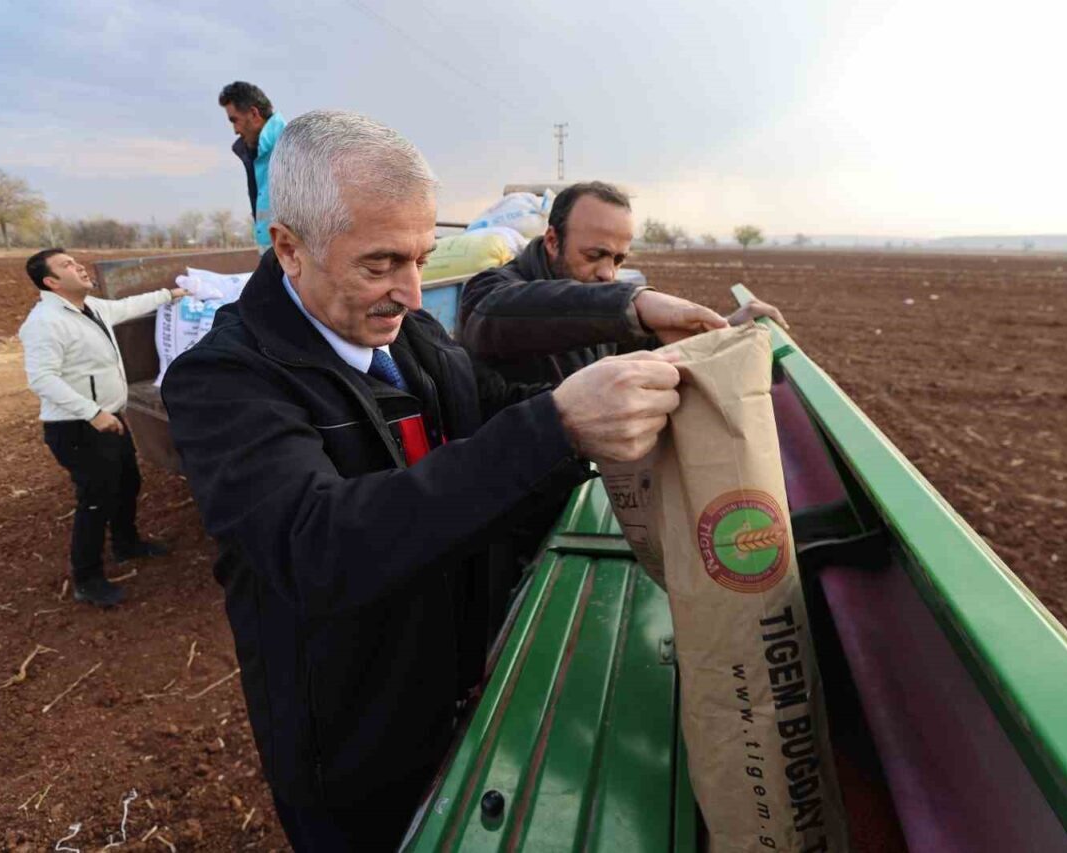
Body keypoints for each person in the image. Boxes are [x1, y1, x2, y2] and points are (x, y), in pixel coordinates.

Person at [161, 111, 682, 852]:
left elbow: (491, 409)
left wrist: (608, 390)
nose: (411, 291)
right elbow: (319, 544)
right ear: (289, 248)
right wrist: (554, 426)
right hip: (355, 746)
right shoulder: (225, 381)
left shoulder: (412, 336)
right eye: (379, 263)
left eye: (421, 257)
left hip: (457, 687)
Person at [458, 180, 789, 384]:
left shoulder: (600, 303)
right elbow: (496, 313)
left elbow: (655, 349)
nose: (608, 273)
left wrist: (725, 330)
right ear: (552, 241)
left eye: (618, 260)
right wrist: (632, 302)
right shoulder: (489, 292)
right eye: (594, 255)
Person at [18, 250, 188, 607]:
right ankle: (87, 578)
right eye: (66, 265)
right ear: (51, 282)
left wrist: (172, 295)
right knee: (95, 500)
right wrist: (92, 413)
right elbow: (42, 379)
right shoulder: (46, 322)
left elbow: (128, 306)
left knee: (128, 482)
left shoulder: (90, 308)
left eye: (75, 261)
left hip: (109, 418)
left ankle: (126, 544)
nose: (78, 266)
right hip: (77, 428)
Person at [219, 81, 286, 253]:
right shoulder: (255, 153)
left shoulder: (292, 146)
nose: (235, 130)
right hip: (275, 259)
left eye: (235, 120)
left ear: (254, 113)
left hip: (293, 262)